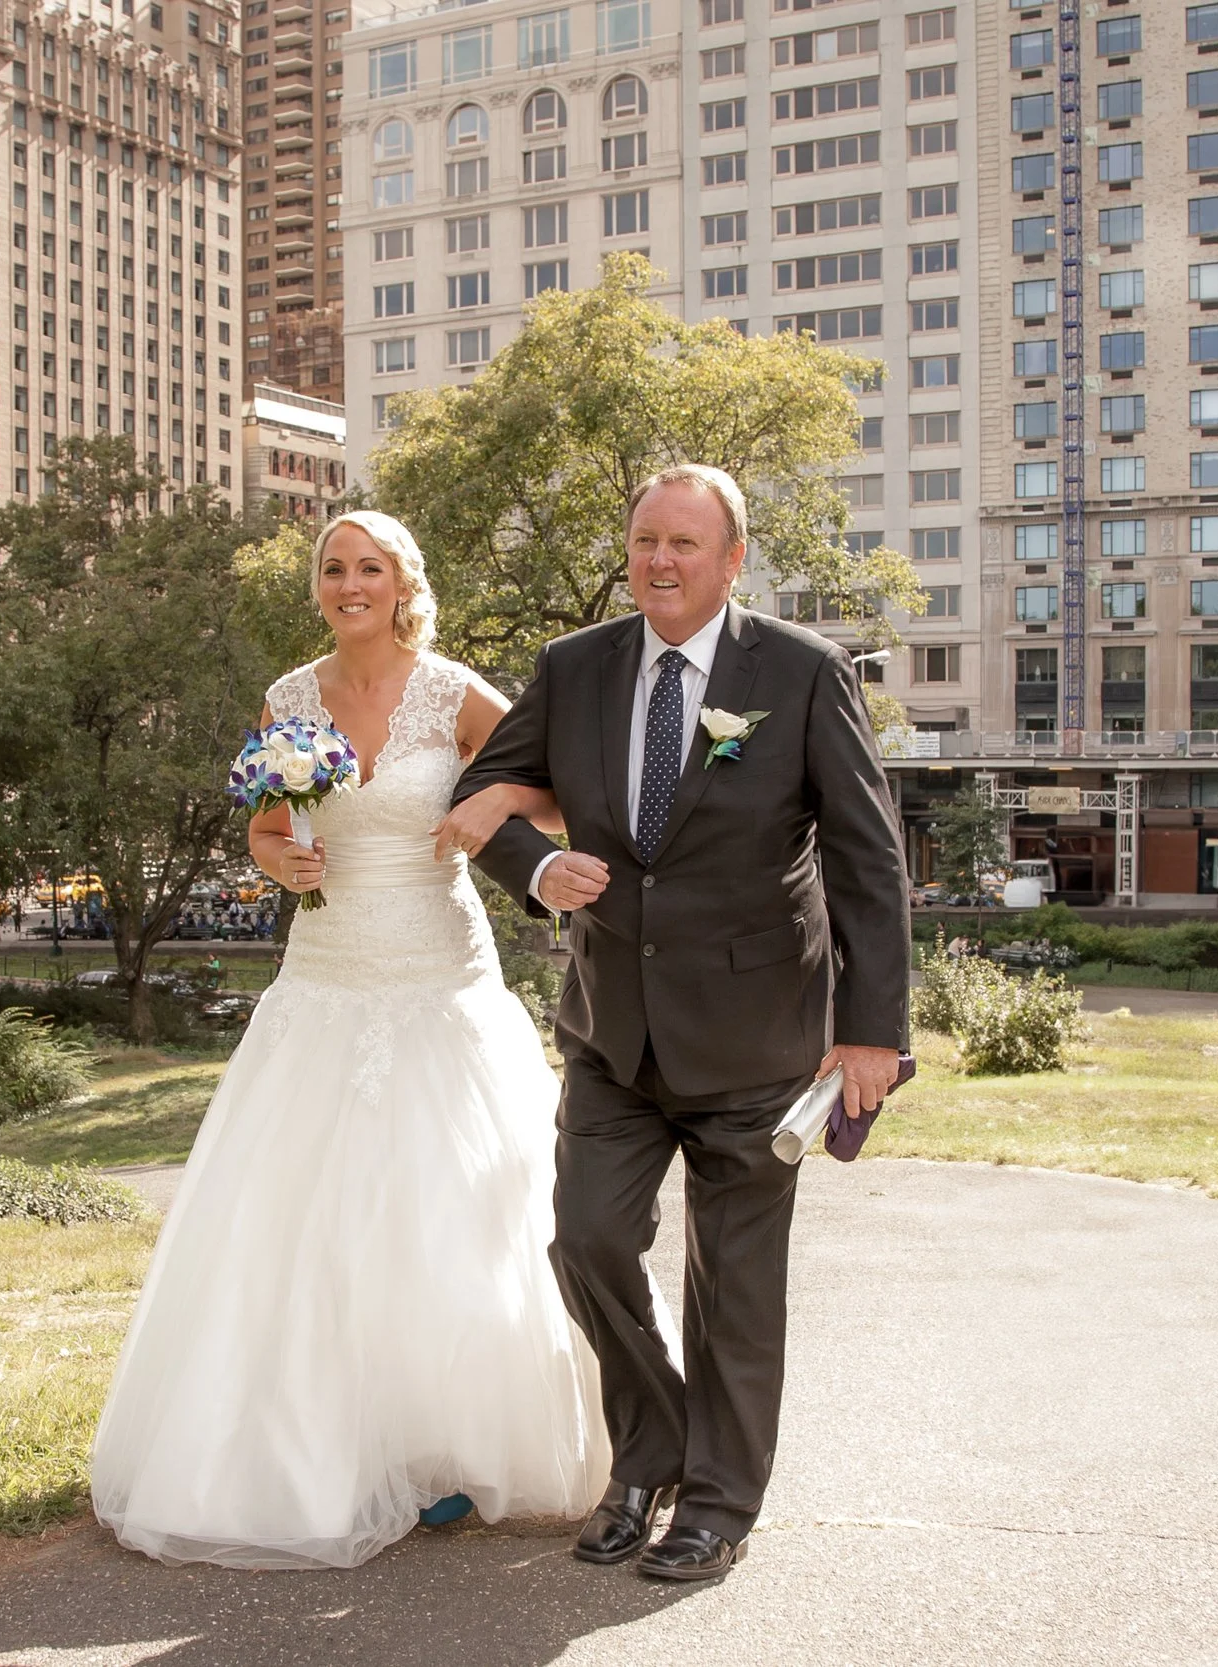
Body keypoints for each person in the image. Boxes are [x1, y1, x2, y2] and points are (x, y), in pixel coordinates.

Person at [93, 510, 608, 1571]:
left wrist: (485, 804)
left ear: (404, 582)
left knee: (450, 1204)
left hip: (436, 973)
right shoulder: (289, 697)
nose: (348, 582)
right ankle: (318, 1443)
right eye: (332, 568)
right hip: (322, 977)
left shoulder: (452, 689)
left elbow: (555, 790)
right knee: (307, 1212)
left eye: (368, 566)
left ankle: (456, 1443)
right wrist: (272, 854)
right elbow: (264, 816)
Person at [449, 463, 910, 1583]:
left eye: (684, 544)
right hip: (612, 1028)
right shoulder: (575, 666)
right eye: (645, 539)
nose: (659, 560)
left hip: (760, 1036)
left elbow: (865, 858)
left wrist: (872, 1030)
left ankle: (717, 1500)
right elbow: (480, 791)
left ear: (732, 558)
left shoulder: (800, 673)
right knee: (589, 1239)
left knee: (735, 1284)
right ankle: (650, 1452)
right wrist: (538, 862)